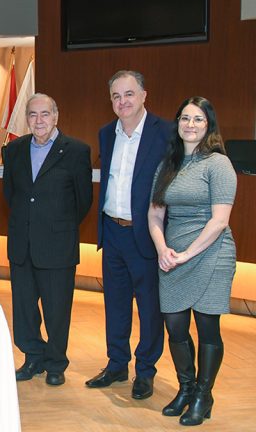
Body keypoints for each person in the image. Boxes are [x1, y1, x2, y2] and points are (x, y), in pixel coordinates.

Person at [148, 97, 236, 426]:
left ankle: (203, 395)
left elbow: (219, 221)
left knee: (207, 327)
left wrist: (186, 254)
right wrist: (162, 249)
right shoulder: (167, 164)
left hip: (211, 253)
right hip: (172, 256)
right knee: (175, 326)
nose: (191, 124)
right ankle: (186, 388)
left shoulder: (218, 164)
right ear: (178, 123)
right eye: (185, 118)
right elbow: (155, 214)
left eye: (198, 119)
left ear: (208, 125)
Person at [86, 70, 173, 400]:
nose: (122, 101)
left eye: (129, 94)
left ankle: (146, 371)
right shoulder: (106, 133)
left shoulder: (165, 132)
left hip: (146, 234)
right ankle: (117, 364)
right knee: (115, 303)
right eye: (116, 96)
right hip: (112, 231)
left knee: (150, 308)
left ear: (144, 95)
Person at [3, 94, 92, 387]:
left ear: (56, 116)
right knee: (24, 308)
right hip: (22, 244)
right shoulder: (14, 150)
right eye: (33, 114)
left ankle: (55, 362)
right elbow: (11, 195)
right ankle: (33, 357)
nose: (38, 120)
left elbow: (83, 201)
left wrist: (56, 227)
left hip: (57, 245)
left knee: (57, 310)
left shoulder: (77, 151)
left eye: (45, 114)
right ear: (26, 118)